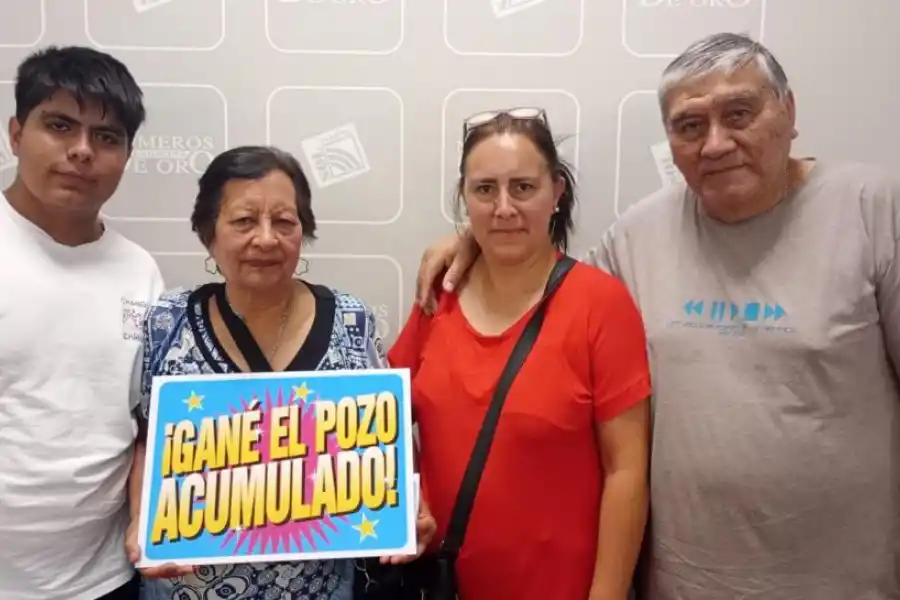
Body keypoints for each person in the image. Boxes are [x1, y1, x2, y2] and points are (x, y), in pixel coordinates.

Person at [414, 33, 900, 600]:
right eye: (690, 125)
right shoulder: (637, 237)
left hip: (845, 583)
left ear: (789, 110)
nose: (715, 143)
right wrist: (477, 242)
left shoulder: (874, 210)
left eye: (739, 113)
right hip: (681, 582)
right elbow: (538, 284)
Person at [125, 145, 436, 600]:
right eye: (244, 220)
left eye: (285, 222)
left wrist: (409, 505)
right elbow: (146, 440)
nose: (266, 239)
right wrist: (142, 518)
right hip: (187, 586)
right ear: (209, 232)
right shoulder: (168, 321)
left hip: (319, 588)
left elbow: (388, 434)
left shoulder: (350, 320)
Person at [388, 108, 652, 600]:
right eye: (485, 189)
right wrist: (407, 498)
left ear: (557, 192)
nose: (504, 207)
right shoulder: (438, 297)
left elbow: (627, 472)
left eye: (523, 188)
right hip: (444, 584)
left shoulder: (601, 305)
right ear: (464, 197)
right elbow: (383, 423)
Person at [0, 46, 163, 600]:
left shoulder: (139, 270)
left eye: (106, 137)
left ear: (127, 155)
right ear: (16, 134)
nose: (82, 150)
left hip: (107, 577)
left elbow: (148, 423)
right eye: (59, 125)